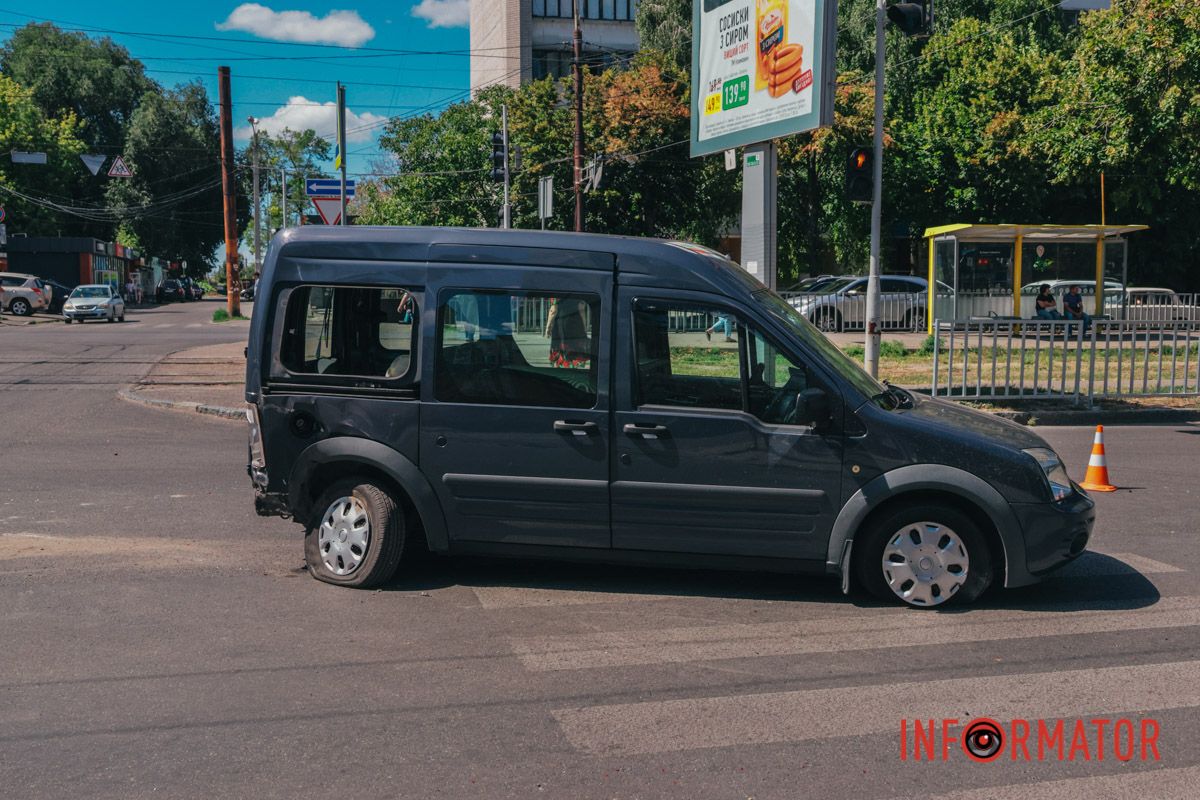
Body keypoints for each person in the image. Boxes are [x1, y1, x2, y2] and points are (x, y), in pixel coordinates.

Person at [544, 297, 590, 367]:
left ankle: (561, 373)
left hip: (562, 325)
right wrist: (584, 327)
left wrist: (548, 327)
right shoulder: (577, 291)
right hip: (577, 324)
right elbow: (581, 308)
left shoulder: (558, 290)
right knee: (575, 353)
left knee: (561, 353)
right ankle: (573, 370)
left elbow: (553, 310)